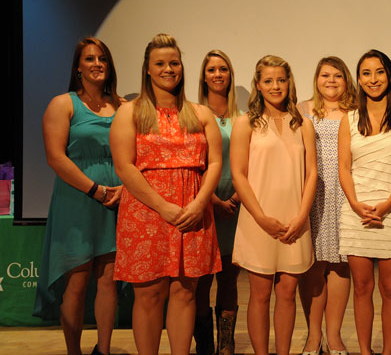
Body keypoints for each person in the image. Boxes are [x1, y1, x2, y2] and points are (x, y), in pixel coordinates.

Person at [110, 34, 222, 355]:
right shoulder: (130, 112)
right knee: (150, 295)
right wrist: (163, 207)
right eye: (160, 63)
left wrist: (199, 203)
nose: (169, 69)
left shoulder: (200, 113)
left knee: (186, 293)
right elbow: (125, 167)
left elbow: (214, 163)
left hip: (193, 212)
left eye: (174, 62)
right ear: (147, 69)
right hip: (147, 212)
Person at [34, 37, 122, 355]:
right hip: (78, 201)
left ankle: (105, 350)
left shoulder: (124, 106)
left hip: (116, 203)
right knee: (78, 283)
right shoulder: (63, 104)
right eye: (89, 59)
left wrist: (123, 189)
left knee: (109, 280)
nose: (97, 63)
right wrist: (95, 190)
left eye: (102, 58)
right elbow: (56, 158)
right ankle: (74, 352)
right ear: (78, 68)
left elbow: (135, 156)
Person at [230, 55, 317, 355]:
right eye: (268, 80)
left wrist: (302, 215)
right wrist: (261, 218)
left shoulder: (302, 123)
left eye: (281, 79)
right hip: (259, 220)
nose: (275, 86)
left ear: (289, 82)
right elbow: (239, 175)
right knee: (260, 294)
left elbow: (312, 173)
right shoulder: (245, 123)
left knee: (288, 292)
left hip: (295, 218)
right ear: (258, 84)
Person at [338, 49, 391, 355]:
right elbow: (344, 167)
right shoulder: (349, 119)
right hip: (356, 211)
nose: (373, 79)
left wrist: (386, 206)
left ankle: (386, 352)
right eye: (366, 73)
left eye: (379, 72)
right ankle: (364, 351)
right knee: (361, 288)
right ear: (358, 79)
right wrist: (357, 204)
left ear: (390, 76)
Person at [297, 57, 357, 355]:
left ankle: (334, 336)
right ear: (316, 79)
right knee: (312, 266)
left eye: (337, 75)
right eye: (324, 75)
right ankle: (312, 336)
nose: (331, 81)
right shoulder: (302, 109)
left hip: (345, 194)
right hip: (312, 193)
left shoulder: (356, 112)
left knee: (341, 265)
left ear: (346, 80)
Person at [195, 50, 241, 355]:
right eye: (212, 69)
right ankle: (205, 346)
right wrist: (211, 199)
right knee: (200, 281)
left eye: (223, 69)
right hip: (202, 203)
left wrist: (235, 198)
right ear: (204, 75)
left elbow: (249, 163)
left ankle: (226, 345)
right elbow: (192, 162)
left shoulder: (243, 117)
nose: (218, 74)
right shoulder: (194, 114)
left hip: (238, 205)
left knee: (228, 277)